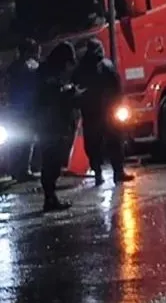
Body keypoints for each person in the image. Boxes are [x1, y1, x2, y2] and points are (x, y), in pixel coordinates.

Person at [74, 39, 132, 185]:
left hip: (96, 111)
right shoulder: (104, 65)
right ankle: (114, 172)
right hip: (103, 111)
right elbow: (117, 86)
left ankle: (103, 173)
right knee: (110, 142)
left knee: (97, 143)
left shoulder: (84, 68)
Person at [35, 41, 78, 212]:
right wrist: (68, 92)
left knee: (52, 160)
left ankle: (51, 197)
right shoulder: (48, 74)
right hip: (51, 124)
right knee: (51, 160)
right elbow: (51, 95)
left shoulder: (47, 71)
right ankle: (50, 198)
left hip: (49, 123)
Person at [5, 38, 41, 182]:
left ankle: (16, 169)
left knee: (16, 141)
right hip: (28, 109)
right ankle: (24, 170)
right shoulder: (31, 66)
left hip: (15, 109)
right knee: (27, 140)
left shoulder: (12, 67)